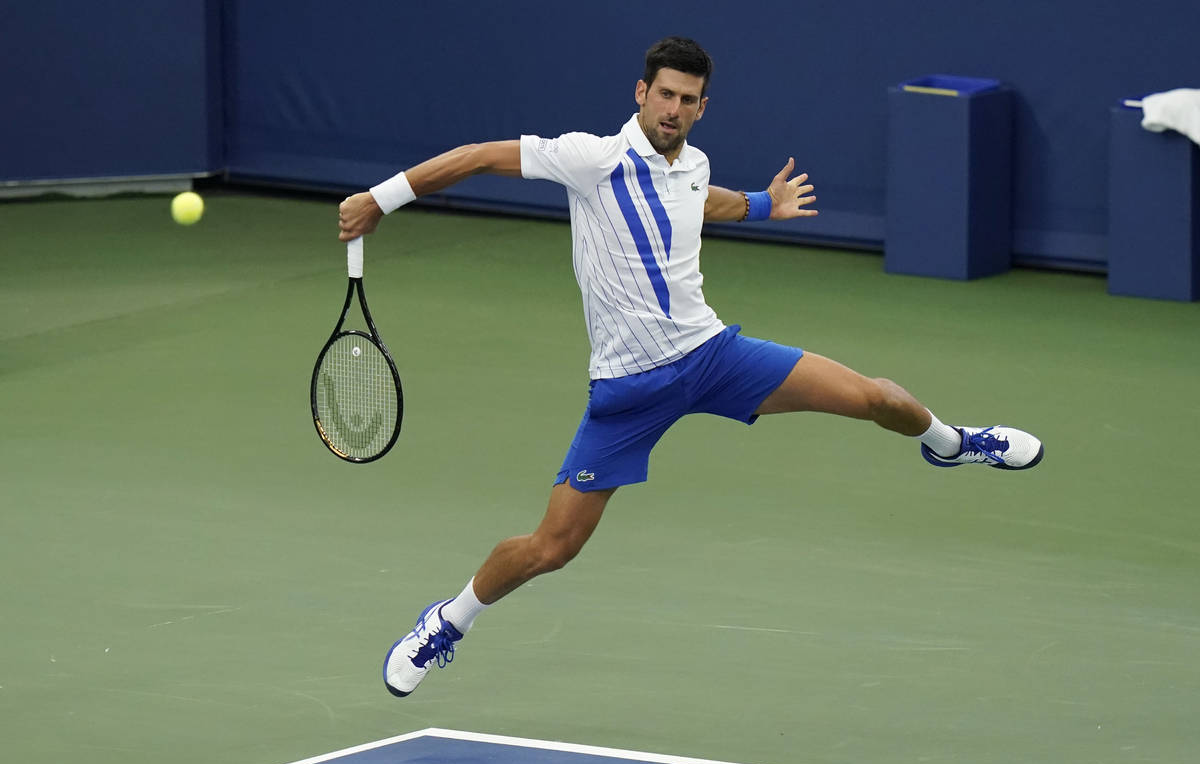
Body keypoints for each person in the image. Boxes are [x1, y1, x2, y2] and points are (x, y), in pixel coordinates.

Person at [336, 37, 1044, 699]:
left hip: (714, 357)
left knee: (873, 395)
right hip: (627, 392)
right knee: (552, 547)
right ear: (642, 92)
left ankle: (952, 444)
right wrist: (380, 198)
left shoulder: (693, 162)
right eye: (665, 94)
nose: (674, 109)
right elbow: (478, 156)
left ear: (702, 107)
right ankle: (448, 622)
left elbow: (701, 200)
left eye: (688, 100)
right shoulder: (590, 159)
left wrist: (766, 204)